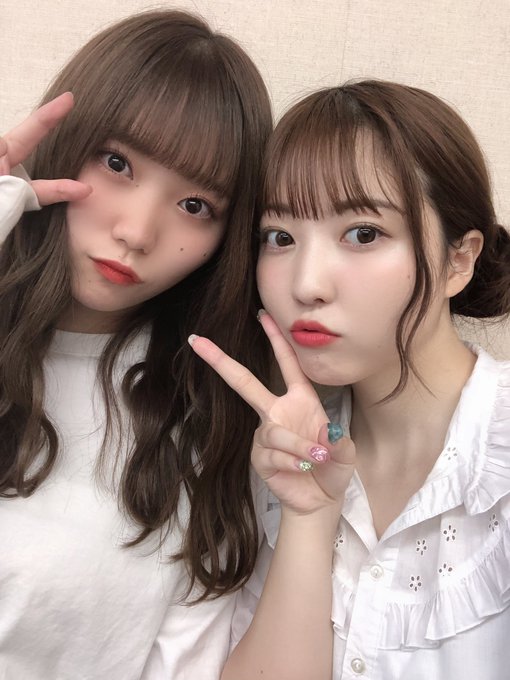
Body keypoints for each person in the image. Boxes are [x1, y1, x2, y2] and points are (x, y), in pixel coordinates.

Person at [190, 80, 510, 680]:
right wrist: (309, 516)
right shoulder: (281, 454)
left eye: (363, 233)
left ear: (458, 260)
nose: (306, 284)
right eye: (280, 237)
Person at [0, 9, 272, 679]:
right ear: (67, 142)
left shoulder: (209, 423)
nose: (137, 231)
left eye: (195, 206)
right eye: (118, 163)